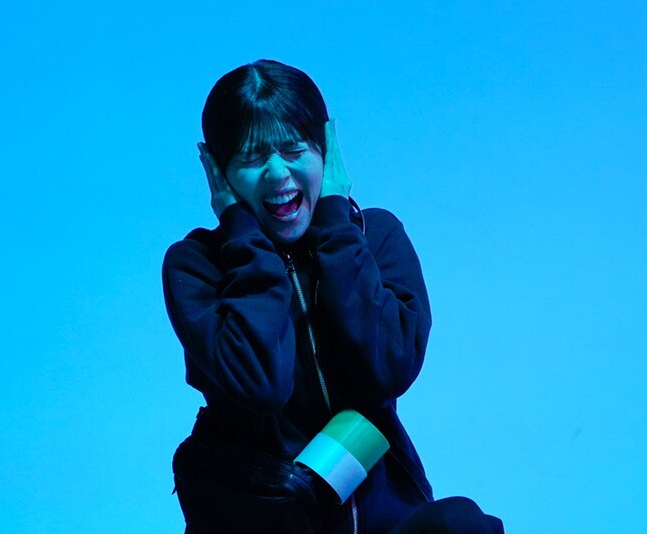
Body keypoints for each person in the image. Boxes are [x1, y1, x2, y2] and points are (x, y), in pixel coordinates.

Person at [162, 59, 503, 533]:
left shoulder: (374, 236)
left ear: (326, 146)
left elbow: (388, 371)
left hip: (380, 512)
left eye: (293, 149)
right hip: (260, 516)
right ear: (217, 168)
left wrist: (337, 229)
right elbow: (260, 385)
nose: (277, 173)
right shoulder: (196, 266)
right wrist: (243, 238)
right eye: (252, 157)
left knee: (462, 525)